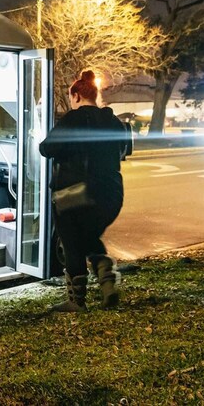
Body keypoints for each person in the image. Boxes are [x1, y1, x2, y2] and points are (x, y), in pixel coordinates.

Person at [39, 70, 126, 312]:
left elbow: (46, 149)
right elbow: (122, 152)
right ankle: (107, 280)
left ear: (76, 95)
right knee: (88, 237)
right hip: (112, 193)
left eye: (70, 97)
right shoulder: (113, 121)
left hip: (75, 192)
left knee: (72, 243)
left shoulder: (72, 119)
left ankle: (76, 301)